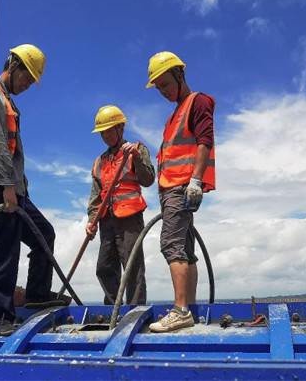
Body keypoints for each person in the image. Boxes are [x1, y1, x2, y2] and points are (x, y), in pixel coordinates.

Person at [0, 44, 60, 336]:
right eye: (26, 79)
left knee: (44, 234)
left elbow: (12, 151)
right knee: (3, 255)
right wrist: (7, 186)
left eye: (31, 82)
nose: (27, 85)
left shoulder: (6, 100)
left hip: (14, 190)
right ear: (14, 66)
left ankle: (37, 295)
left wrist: (19, 189)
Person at [145, 51, 216, 333]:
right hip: (171, 189)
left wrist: (196, 181)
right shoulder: (175, 114)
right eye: (158, 88)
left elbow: (205, 141)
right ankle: (189, 307)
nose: (162, 91)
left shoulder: (197, 102)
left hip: (182, 187)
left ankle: (181, 311)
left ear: (179, 74)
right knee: (185, 249)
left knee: (171, 244)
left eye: (165, 84)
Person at [86, 105, 154, 306]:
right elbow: (96, 195)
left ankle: (134, 311)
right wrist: (91, 221)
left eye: (109, 130)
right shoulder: (99, 161)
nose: (105, 136)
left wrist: (137, 158)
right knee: (104, 267)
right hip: (107, 220)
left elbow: (148, 179)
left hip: (130, 218)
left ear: (121, 128)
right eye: (102, 133)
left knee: (132, 267)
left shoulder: (137, 150)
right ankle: (111, 311)